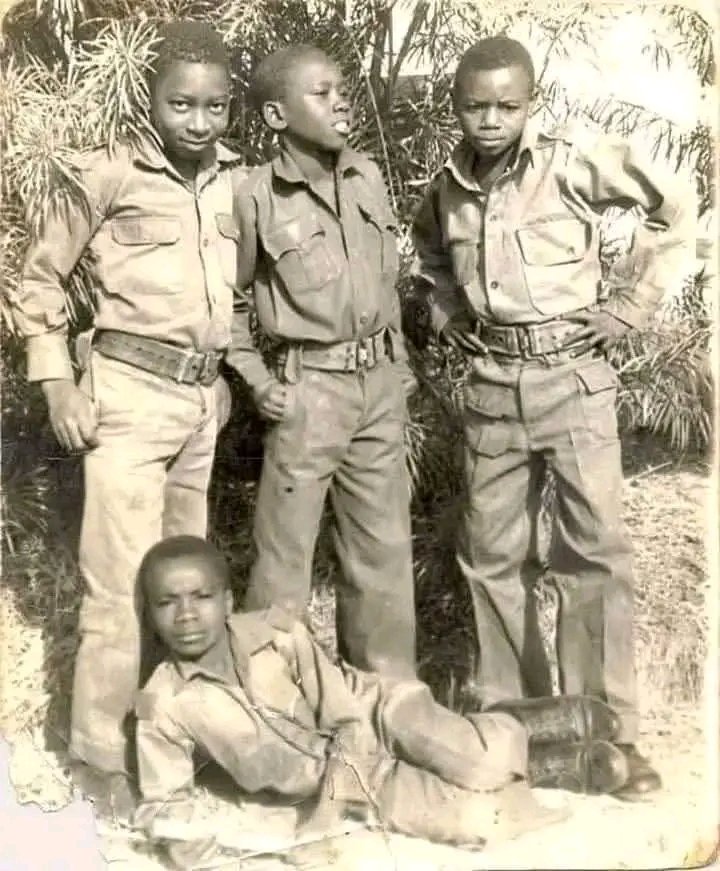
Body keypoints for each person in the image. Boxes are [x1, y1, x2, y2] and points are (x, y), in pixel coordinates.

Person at [411, 36, 691, 801]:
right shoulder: (448, 185)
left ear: (531, 103)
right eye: (475, 105)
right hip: (492, 382)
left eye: (507, 105)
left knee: (591, 554)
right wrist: (444, 307)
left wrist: (631, 304)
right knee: (491, 557)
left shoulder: (572, 163)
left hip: (572, 376)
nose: (491, 120)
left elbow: (679, 206)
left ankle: (609, 738)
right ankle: (522, 730)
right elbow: (430, 252)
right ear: (456, 105)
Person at [12, 21, 246, 813]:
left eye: (215, 106)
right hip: (125, 398)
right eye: (181, 103)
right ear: (150, 99)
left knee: (187, 583)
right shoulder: (107, 175)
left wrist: (221, 379)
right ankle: (99, 755)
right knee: (117, 584)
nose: (198, 120)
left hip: (197, 404)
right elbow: (37, 285)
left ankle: (174, 737)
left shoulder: (234, 182)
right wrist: (57, 387)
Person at [134, 535, 631, 867]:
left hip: (378, 717)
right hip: (358, 779)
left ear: (226, 602)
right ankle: (550, 767)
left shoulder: (277, 634)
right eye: (166, 603)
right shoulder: (165, 703)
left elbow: (347, 719)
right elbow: (165, 806)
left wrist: (327, 813)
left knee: (479, 760)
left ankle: (511, 726)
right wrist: (191, 845)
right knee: (478, 821)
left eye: (200, 597)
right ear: (151, 615)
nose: (185, 615)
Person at [226, 45, 416, 678]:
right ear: (277, 115)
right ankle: (272, 709)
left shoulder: (367, 175)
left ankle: (384, 706)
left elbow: (390, 286)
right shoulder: (254, 196)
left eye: (342, 89)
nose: (341, 101)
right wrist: (255, 378)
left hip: (379, 388)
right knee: (284, 559)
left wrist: (400, 372)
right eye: (321, 92)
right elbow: (223, 301)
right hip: (310, 389)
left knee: (382, 553)